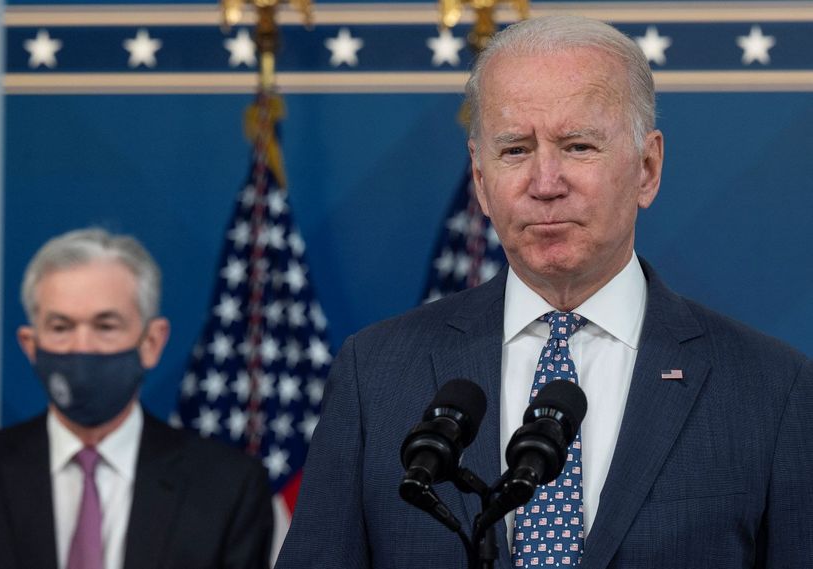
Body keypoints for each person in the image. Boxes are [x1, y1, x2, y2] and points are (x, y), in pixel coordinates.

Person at [275, 15, 813, 569]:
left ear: (647, 168)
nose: (545, 182)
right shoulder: (378, 374)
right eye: (514, 151)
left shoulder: (771, 388)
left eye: (578, 146)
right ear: (481, 183)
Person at [0, 228, 273, 569]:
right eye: (61, 327)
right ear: (30, 345)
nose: (83, 347)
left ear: (151, 342)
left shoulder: (228, 487)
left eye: (106, 326)